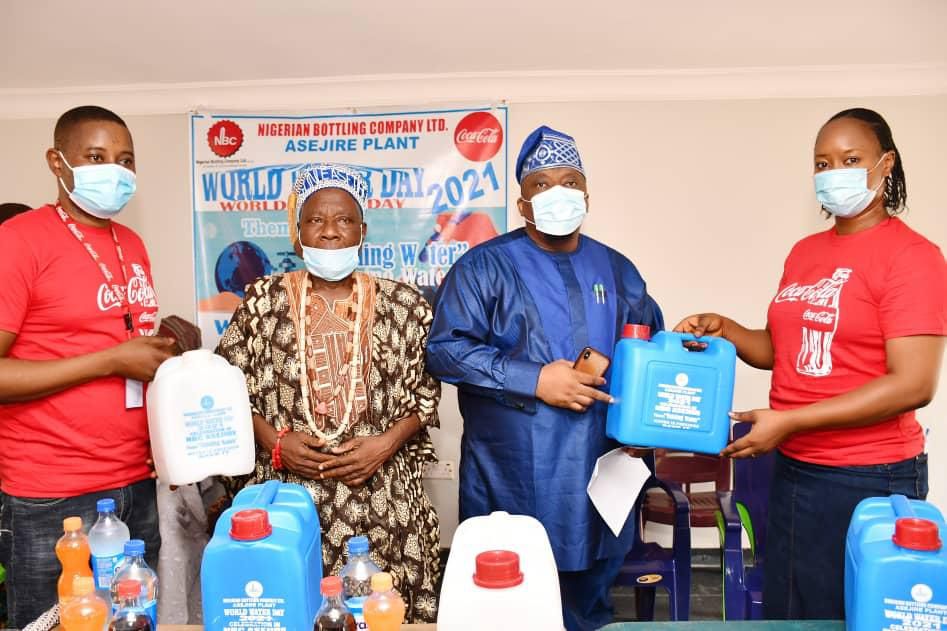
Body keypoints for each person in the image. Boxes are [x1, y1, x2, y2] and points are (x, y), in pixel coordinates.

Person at [676, 108, 946, 619]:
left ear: (886, 164)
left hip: (869, 475)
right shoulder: (805, 253)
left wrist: (791, 420)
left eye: (850, 159)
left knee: (851, 615)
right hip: (795, 466)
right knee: (792, 613)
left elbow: (914, 383)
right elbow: (782, 350)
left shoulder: (913, 257)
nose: (833, 172)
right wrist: (726, 329)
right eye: (822, 163)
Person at [426, 126, 663, 631]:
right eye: (541, 184)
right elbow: (445, 352)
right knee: (510, 604)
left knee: (591, 605)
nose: (558, 193)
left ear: (587, 196)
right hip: (512, 476)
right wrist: (533, 379)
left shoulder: (617, 269)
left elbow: (648, 353)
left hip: (602, 473)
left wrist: (646, 427)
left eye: (569, 182)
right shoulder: (483, 267)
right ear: (523, 204)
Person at [216, 163, 442, 622]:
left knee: (382, 616)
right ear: (298, 235)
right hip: (287, 502)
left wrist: (385, 444)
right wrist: (275, 443)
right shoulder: (261, 302)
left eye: (344, 220)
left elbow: (426, 393)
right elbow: (226, 388)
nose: (331, 232)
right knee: (289, 610)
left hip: (383, 500)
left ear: (363, 231)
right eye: (316, 220)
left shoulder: (405, 304)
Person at [0, 105, 175, 626]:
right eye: (96, 157)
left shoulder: (131, 244)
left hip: (135, 484)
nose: (115, 171)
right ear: (57, 162)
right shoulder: (18, 241)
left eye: (126, 160)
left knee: (133, 621)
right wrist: (110, 361)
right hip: (52, 494)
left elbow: (123, 342)